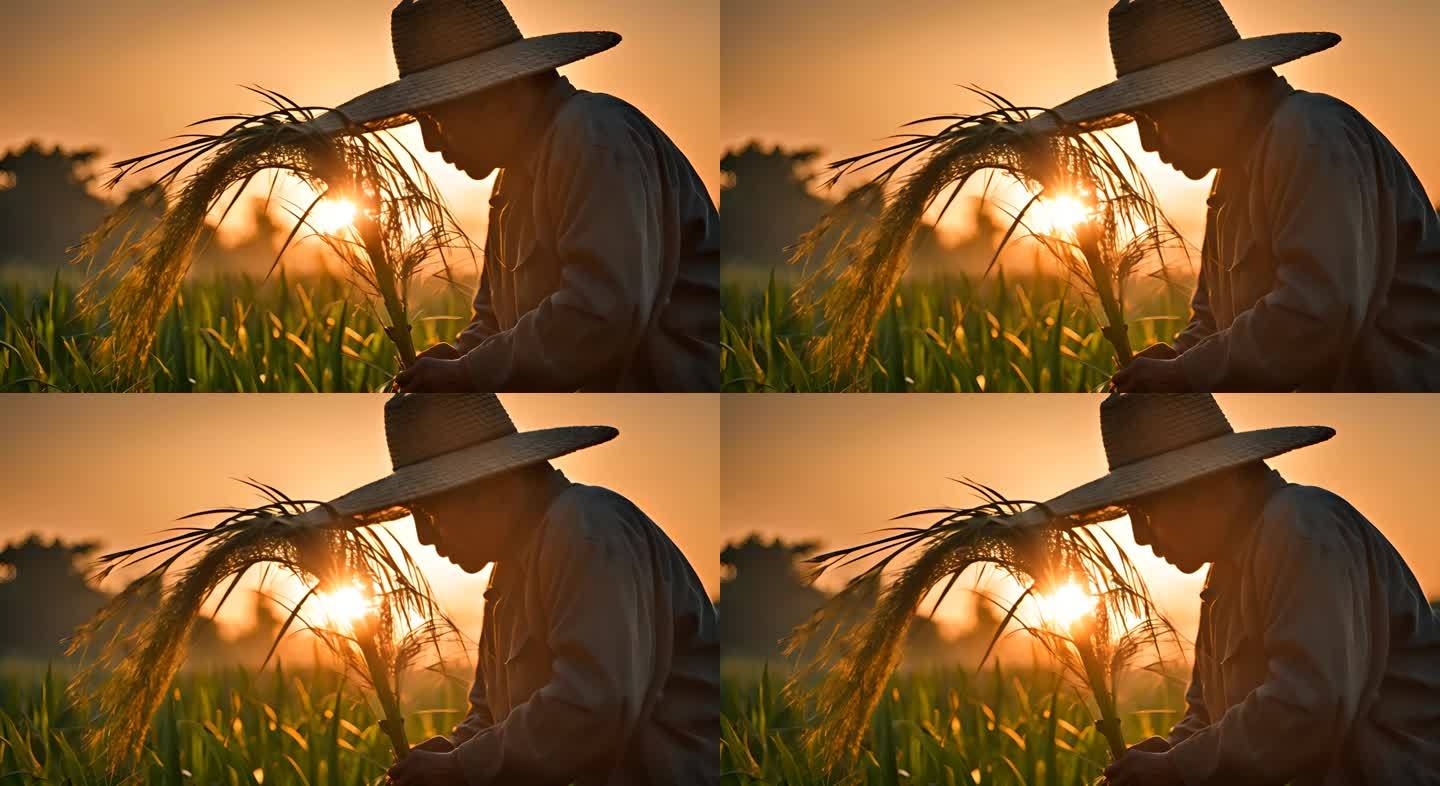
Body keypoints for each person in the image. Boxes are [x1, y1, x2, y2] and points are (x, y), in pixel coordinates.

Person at [1004, 393, 1440, 785]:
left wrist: (1177, 768)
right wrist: (1171, 755)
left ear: (1204, 485)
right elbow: (1209, 717)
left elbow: (1308, 710)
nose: (1140, 537)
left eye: (1146, 511)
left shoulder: (1301, 526)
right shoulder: (1225, 573)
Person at [293, 393, 718, 785]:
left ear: (493, 485)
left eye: (430, 511)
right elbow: (491, 716)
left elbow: (593, 707)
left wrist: (461, 768)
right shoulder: (509, 571)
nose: (423, 537)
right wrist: (456, 750)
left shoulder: (585, 528)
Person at [1020, 0, 1440, 391]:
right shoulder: (1231, 178)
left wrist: (1184, 373)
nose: (1147, 143)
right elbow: (1213, 324)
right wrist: (1179, 357)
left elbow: (1316, 315)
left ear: (1217, 91)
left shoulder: (1308, 132)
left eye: (1153, 117)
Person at [311, 0, 720, 392]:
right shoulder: (512, 180)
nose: (430, 143)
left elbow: (599, 315)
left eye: (436, 117)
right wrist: (459, 357)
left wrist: (469, 373)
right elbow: (495, 323)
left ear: (498, 92)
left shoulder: (591, 135)